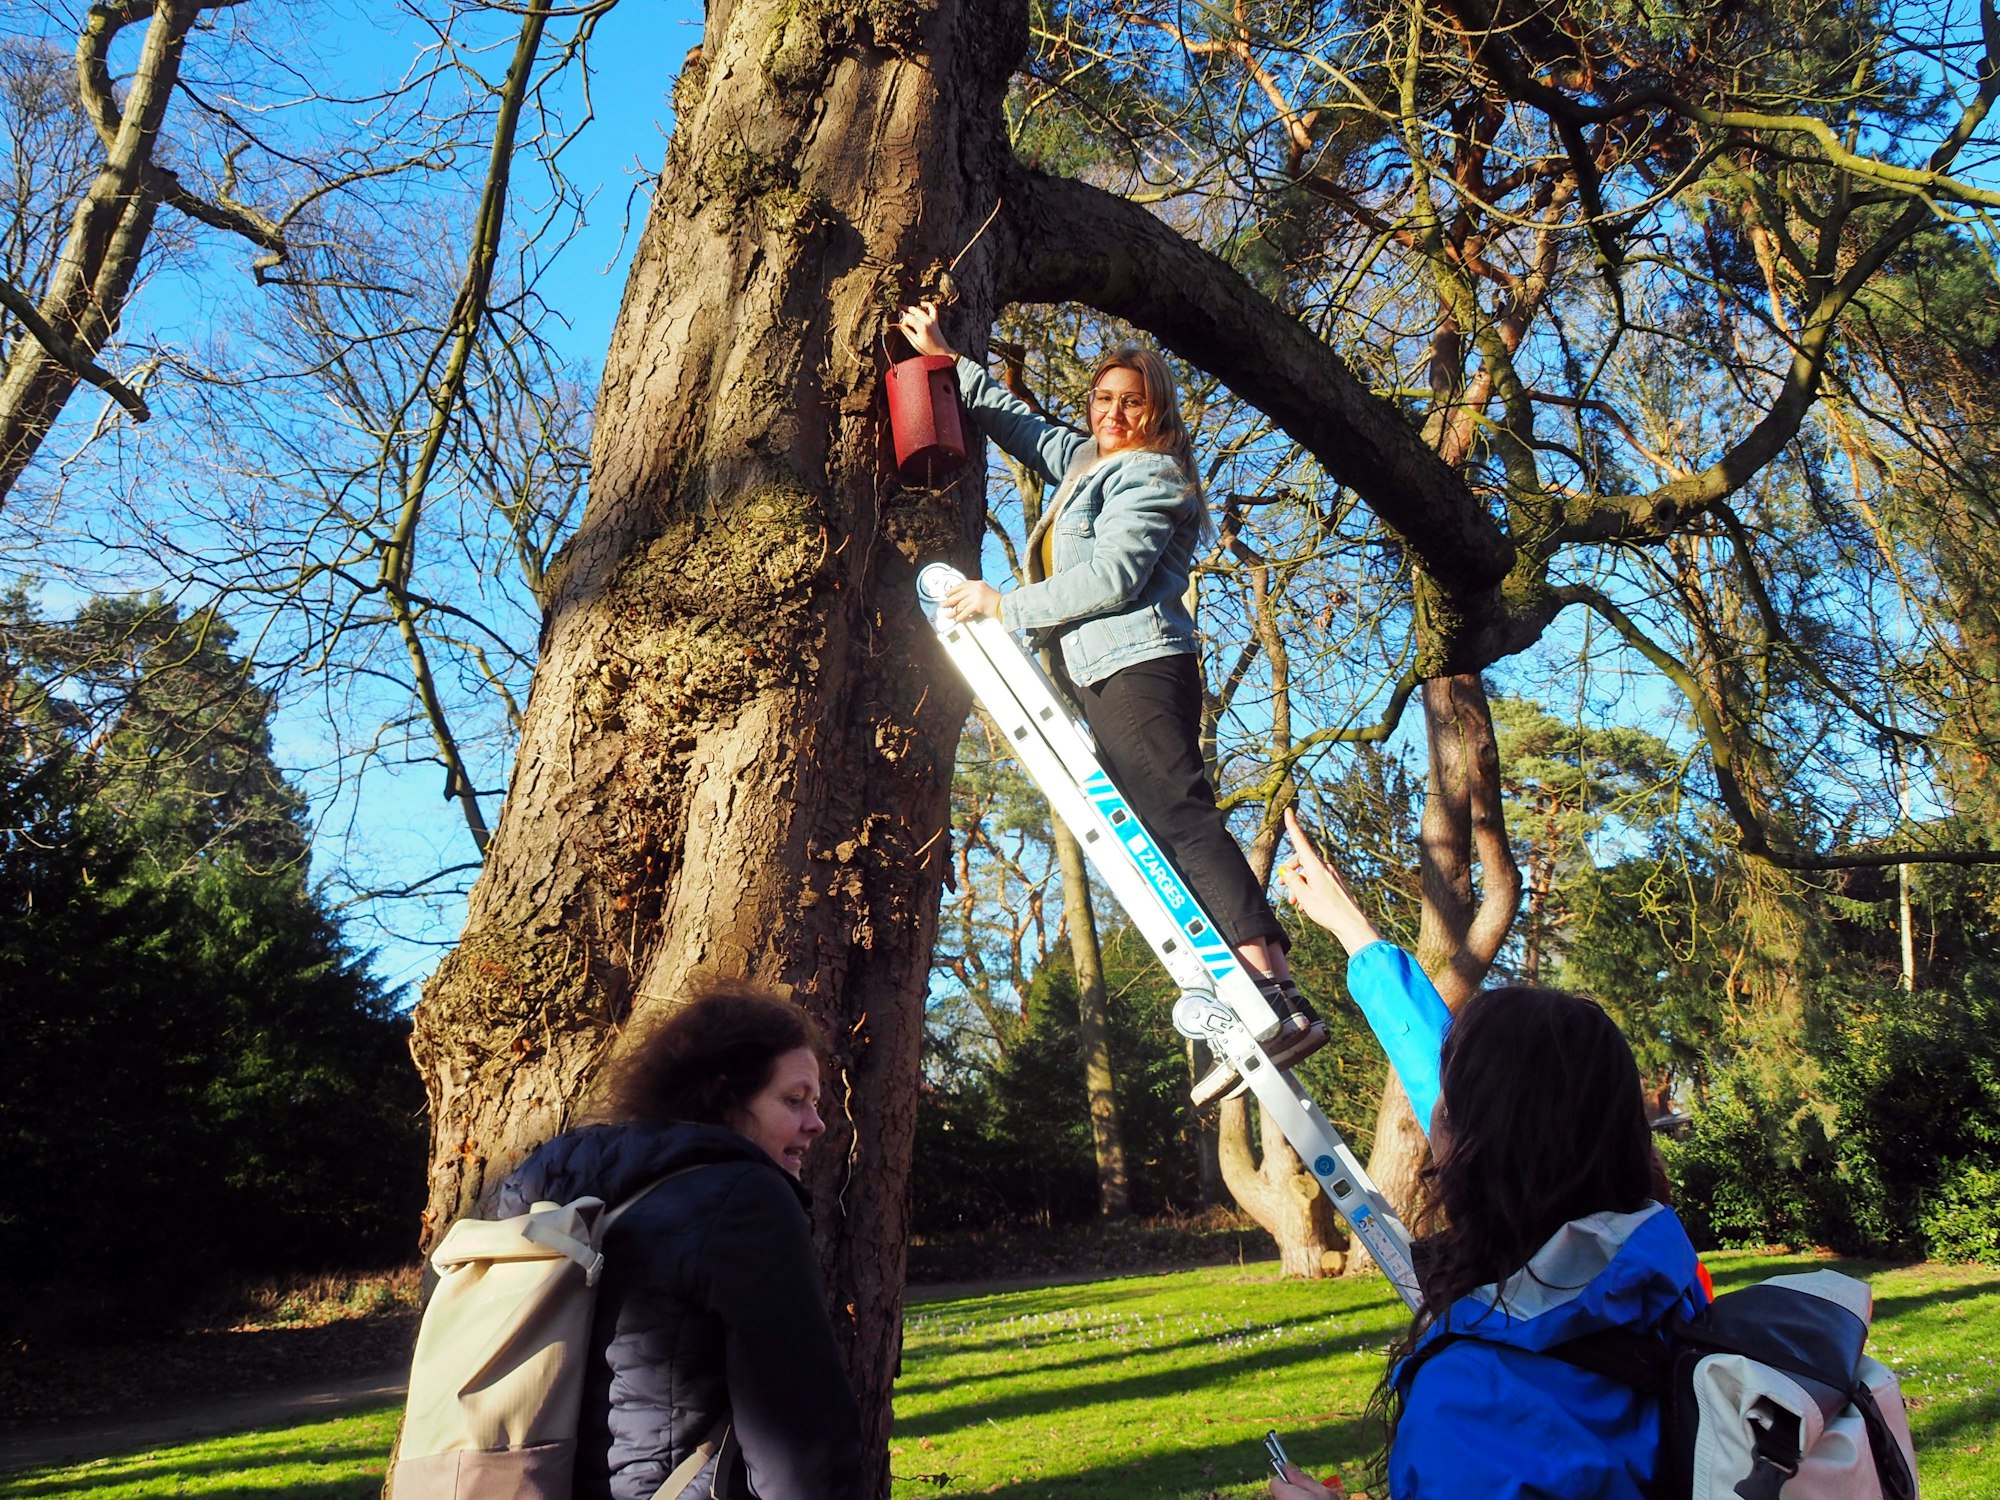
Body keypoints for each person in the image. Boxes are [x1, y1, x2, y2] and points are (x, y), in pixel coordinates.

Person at [896, 300, 1323, 1072]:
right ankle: (1251, 1004)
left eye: (1133, 401)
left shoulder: (1153, 475)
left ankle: (1277, 991)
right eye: (1103, 399)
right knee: (1162, 829)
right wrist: (943, 357)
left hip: (1138, 665)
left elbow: (1116, 575)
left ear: (1155, 411)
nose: (1114, 413)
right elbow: (1020, 426)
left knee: (1180, 818)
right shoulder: (1092, 465)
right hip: (1103, 673)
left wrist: (1008, 606)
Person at [1270, 815, 1708, 1500]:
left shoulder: (1476, 1398)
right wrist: (1350, 927)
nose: (1432, 1110)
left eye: (1450, 1107)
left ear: (1479, 1147)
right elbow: (1461, 1084)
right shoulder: (1662, 1283)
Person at [494, 982, 863, 1500]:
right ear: (725, 1099)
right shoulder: (744, 1199)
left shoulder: (578, 1193)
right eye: (793, 1100)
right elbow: (800, 1438)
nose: (817, 1123)